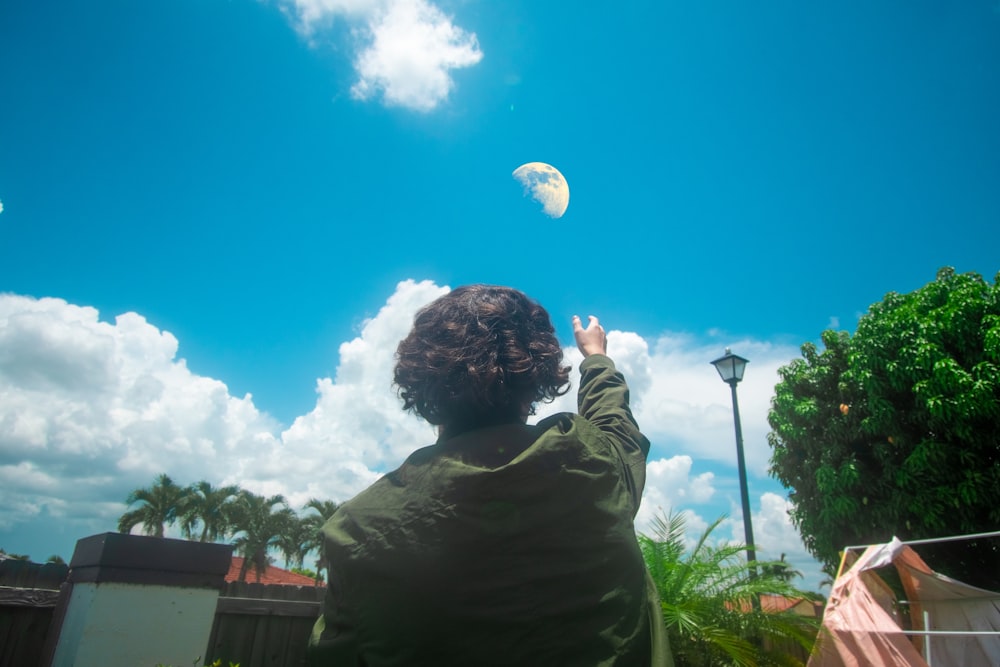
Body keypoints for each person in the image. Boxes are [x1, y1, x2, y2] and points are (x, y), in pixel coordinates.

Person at [308, 285, 670, 666]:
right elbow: (615, 423)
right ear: (535, 380)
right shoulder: (596, 464)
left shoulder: (358, 531)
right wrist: (596, 357)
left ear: (422, 383)